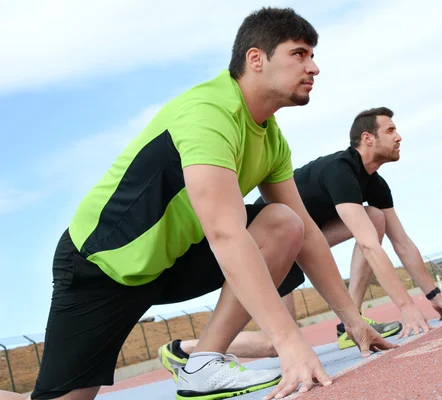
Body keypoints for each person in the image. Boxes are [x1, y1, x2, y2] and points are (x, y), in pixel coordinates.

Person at [0, 8, 397, 400]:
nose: (314, 67)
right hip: (104, 266)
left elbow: (308, 232)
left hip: (175, 260)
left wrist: (354, 321)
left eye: (312, 55)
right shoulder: (209, 112)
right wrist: (288, 342)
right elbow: (225, 232)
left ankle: (203, 363)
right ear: (255, 59)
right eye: (299, 54)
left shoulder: (271, 140)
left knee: (284, 222)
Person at [158, 106, 442, 379]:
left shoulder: (374, 183)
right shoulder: (341, 170)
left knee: (374, 218)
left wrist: (432, 294)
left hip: (304, 243)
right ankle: (183, 349)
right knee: (274, 343)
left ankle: (350, 324)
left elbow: (402, 242)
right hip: (272, 244)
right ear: (367, 138)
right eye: (390, 130)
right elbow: (368, 245)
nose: (399, 137)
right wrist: (406, 307)